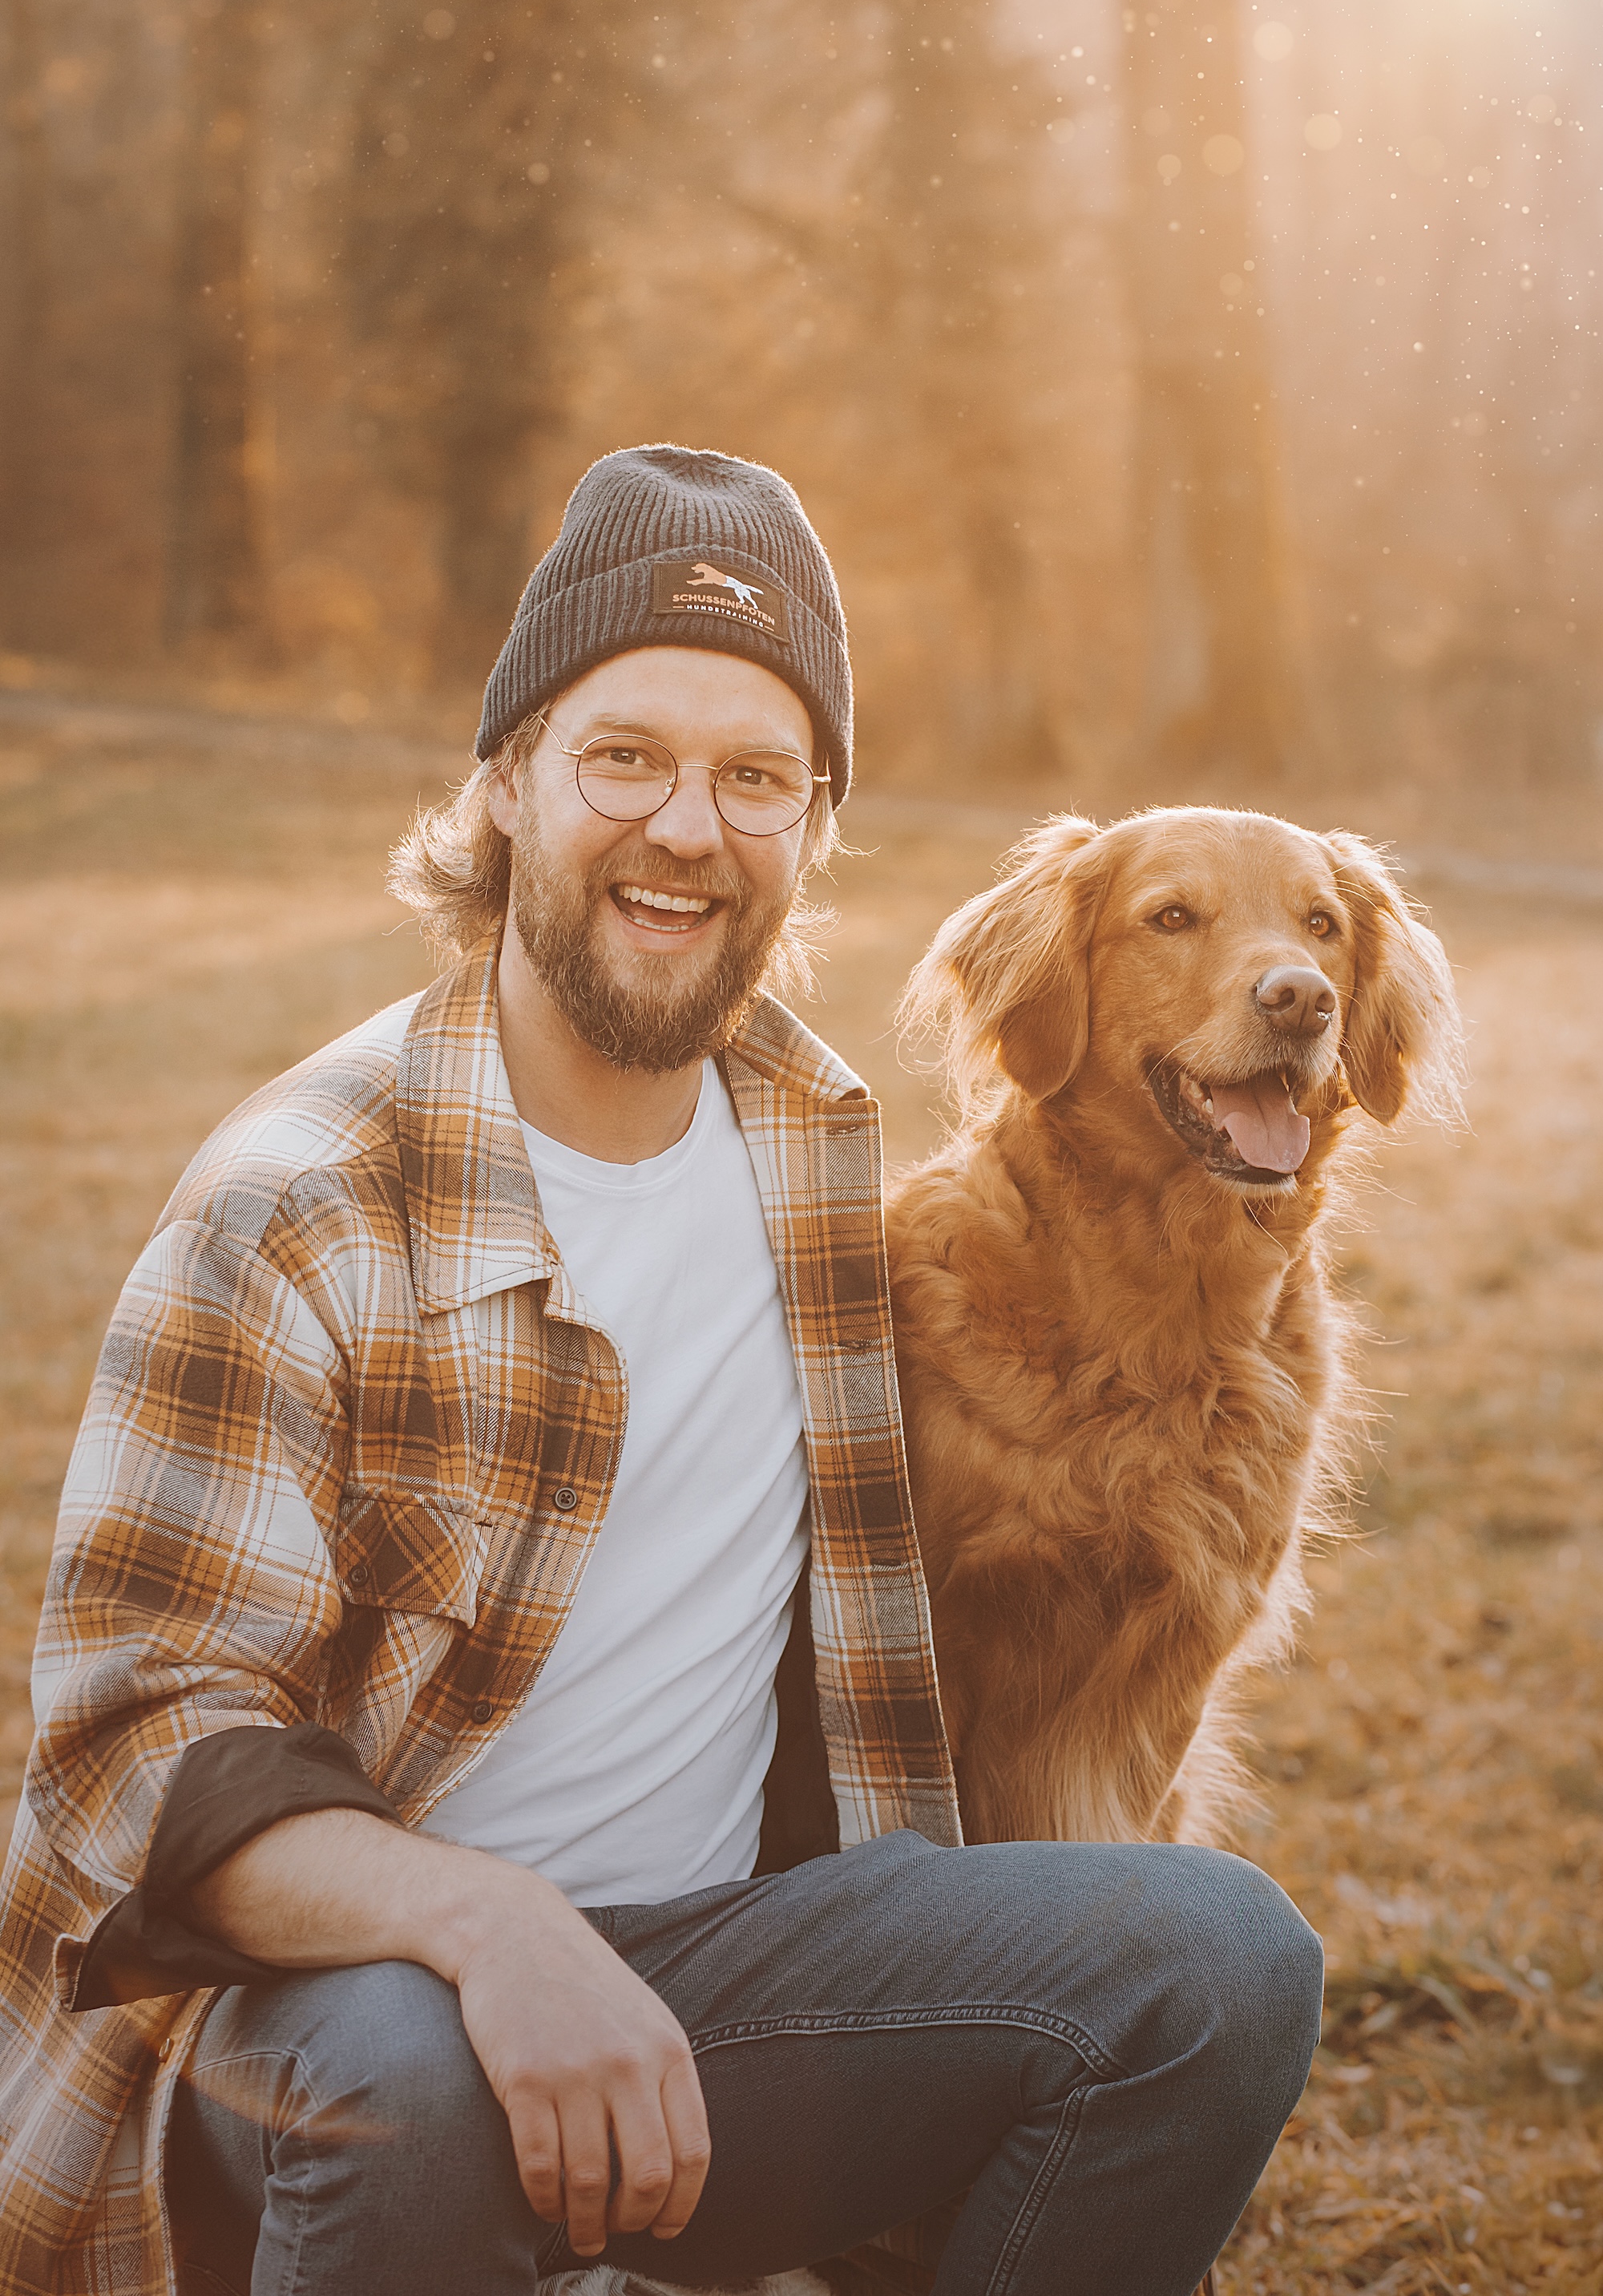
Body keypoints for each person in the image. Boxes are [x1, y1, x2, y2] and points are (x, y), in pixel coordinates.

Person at [0, 446, 1322, 2296]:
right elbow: (134, 1761)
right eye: (624, 755)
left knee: (1221, 1964)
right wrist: (490, 1931)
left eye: (755, 776)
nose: (688, 828)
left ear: (811, 828)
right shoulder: (298, 1205)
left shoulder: (816, 1152)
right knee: (413, 2076)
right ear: (504, 786)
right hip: (327, 2014)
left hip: (719, 1972)